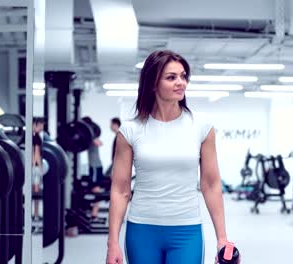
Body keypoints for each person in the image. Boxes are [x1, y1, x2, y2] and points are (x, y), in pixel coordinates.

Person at [106, 50, 238, 264]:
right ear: (152, 83)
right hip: (142, 230)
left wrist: (222, 238)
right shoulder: (131, 130)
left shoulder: (201, 127)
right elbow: (120, 190)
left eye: (183, 76)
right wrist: (112, 243)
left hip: (186, 231)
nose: (181, 82)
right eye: (171, 77)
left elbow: (211, 184)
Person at [82, 116, 104, 220]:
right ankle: (93, 213)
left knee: (96, 190)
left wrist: (91, 137)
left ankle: (94, 213)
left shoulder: (91, 138)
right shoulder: (89, 138)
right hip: (94, 166)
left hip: (95, 166)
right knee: (94, 189)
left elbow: (99, 143)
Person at [32, 117, 45, 221]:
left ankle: (36, 213)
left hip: (32, 167)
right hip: (35, 167)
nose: (42, 127)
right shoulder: (36, 137)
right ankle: (35, 214)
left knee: (34, 190)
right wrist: (39, 167)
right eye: (41, 125)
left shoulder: (32, 136)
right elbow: (36, 153)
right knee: (36, 191)